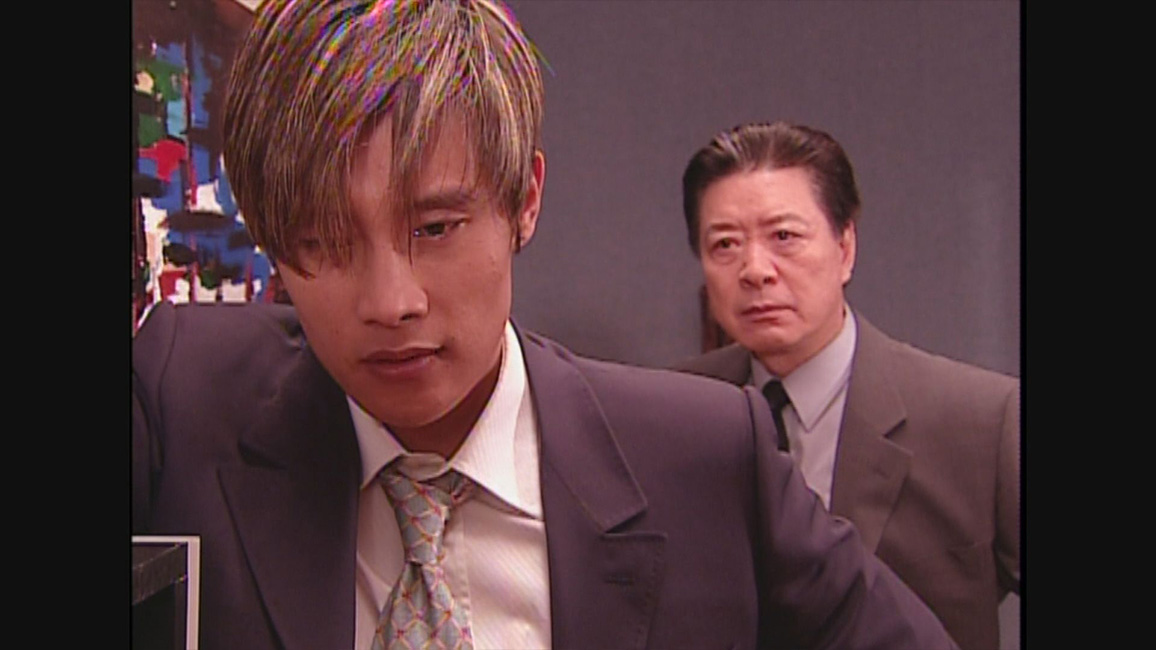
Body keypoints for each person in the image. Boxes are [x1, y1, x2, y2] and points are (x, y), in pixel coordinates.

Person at [131, 3, 958, 649]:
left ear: (524, 199)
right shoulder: (182, 397)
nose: (391, 301)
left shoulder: (702, 456)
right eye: (323, 243)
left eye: (435, 228)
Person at [674, 121, 1019, 650]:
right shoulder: (677, 412)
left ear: (845, 247)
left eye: (784, 237)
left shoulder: (981, 420)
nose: (755, 270)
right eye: (725, 244)